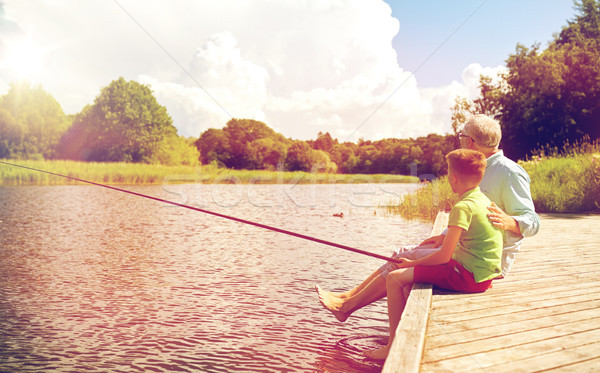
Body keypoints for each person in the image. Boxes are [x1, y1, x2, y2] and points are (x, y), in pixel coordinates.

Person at [315, 114, 540, 352]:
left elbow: (532, 221)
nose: (459, 140)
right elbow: (472, 216)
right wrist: (445, 234)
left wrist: (509, 221)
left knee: (403, 261)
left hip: (482, 260)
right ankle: (348, 299)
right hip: (465, 248)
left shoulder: (508, 172)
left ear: (471, 142)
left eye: (462, 136)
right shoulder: (475, 167)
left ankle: (349, 309)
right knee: (402, 254)